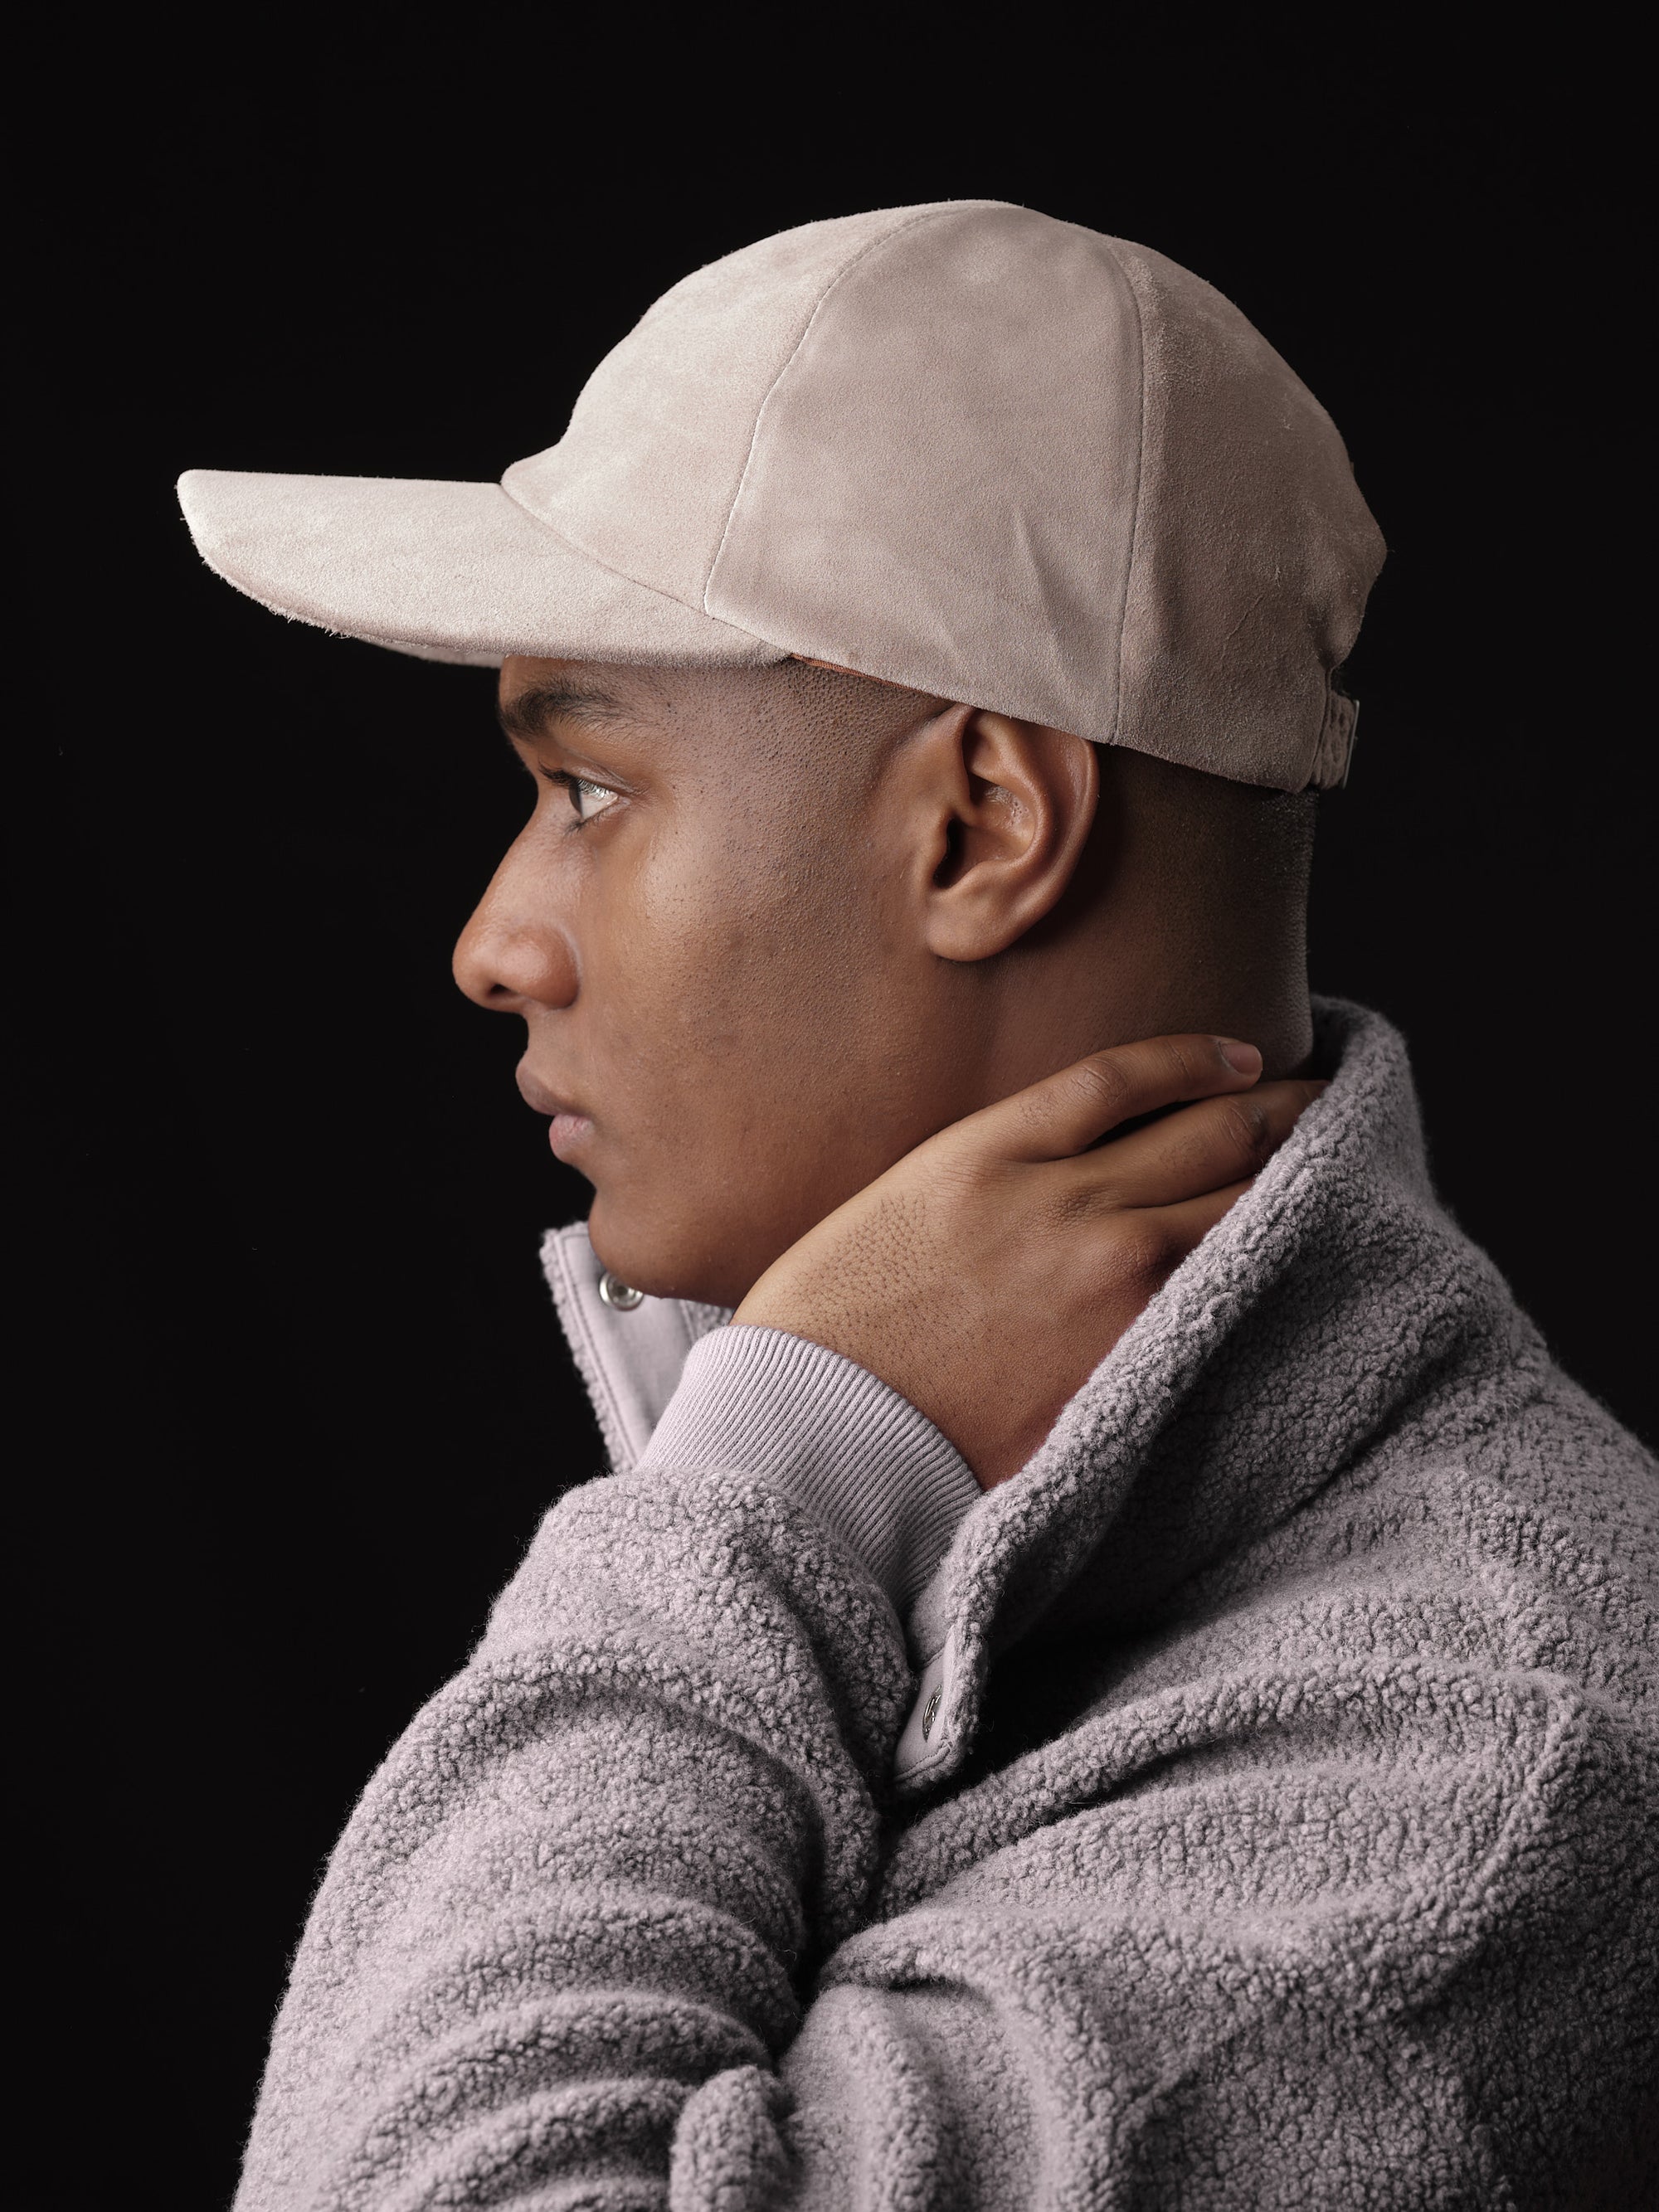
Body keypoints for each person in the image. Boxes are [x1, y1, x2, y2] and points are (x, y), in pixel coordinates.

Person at [179, 203, 1656, 2209]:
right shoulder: (967, 1539)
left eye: (590, 789)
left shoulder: (1497, 1759)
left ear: (981, 825)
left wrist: (772, 1480)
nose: (493, 939)